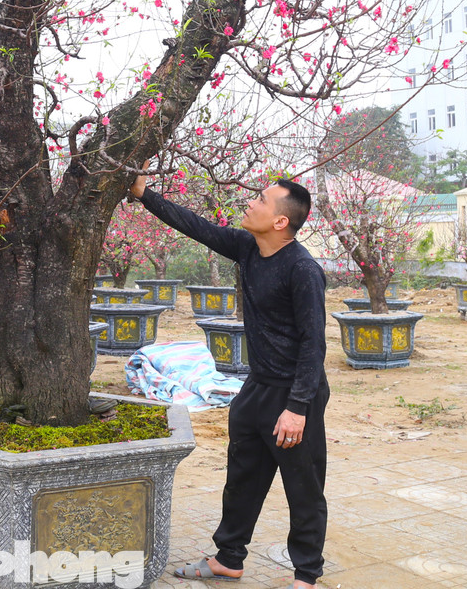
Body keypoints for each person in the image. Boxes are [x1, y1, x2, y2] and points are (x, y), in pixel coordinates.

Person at [129, 173, 329, 588]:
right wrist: (144, 193)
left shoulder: (303, 270)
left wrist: (297, 409)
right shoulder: (247, 249)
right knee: (242, 478)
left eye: (262, 200)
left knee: (303, 487)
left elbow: (314, 344)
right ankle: (228, 559)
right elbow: (195, 226)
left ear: (280, 222)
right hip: (256, 388)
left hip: (294, 395)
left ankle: (306, 577)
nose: (252, 203)